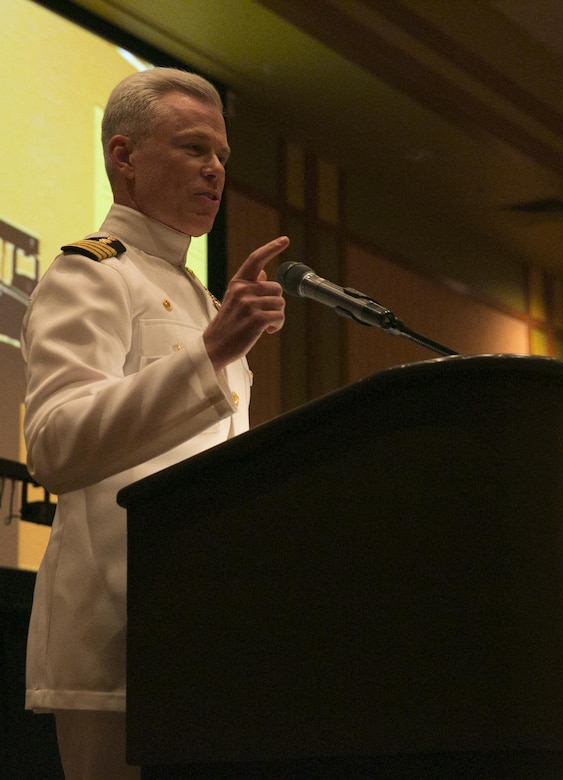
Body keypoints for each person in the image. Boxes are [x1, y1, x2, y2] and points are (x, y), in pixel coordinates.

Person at [21, 67, 289, 778]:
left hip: (205, 622)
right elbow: (53, 443)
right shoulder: (92, 272)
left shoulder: (204, 300)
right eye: (194, 148)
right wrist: (210, 353)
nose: (214, 171)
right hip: (120, 633)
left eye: (222, 156)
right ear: (124, 156)